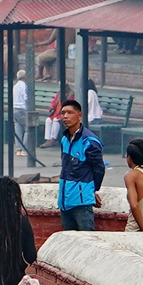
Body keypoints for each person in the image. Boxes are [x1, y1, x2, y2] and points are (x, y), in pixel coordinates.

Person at [57, 99, 105, 231]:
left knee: (87, 238)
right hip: (64, 200)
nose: (65, 116)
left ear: (79, 115)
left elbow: (99, 169)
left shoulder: (90, 142)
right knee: (69, 240)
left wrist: (92, 190)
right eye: (63, 113)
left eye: (70, 113)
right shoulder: (64, 139)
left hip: (82, 201)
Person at [13, 70, 29, 155]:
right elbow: (26, 98)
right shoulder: (24, 86)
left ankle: (18, 149)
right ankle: (24, 149)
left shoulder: (15, 86)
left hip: (15, 108)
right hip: (22, 109)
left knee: (18, 129)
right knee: (28, 128)